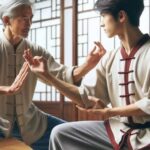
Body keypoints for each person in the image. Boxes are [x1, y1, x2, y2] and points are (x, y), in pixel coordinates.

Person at [24, 0, 150, 149]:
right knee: (60, 133)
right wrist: (48, 77)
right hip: (118, 130)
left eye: (103, 16)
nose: (101, 23)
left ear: (121, 16)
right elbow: (84, 97)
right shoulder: (110, 59)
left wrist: (110, 111)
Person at [0, 0, 103, 149]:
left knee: (71, 137)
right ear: (6, 20)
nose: (29, 23)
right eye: (23, 18)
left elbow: (60, 74)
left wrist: (87, 66)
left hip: (31, 124)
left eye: (31, 18)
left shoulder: (34, 50)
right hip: (1, 126)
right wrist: (5, 90)